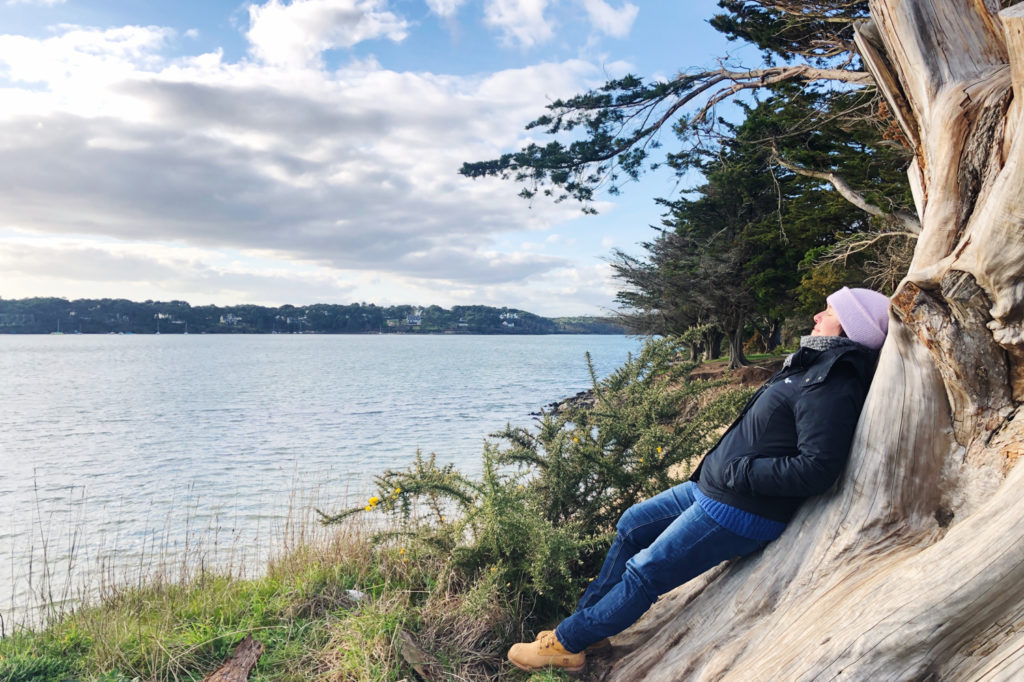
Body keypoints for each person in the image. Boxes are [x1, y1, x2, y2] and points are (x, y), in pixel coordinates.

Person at [507, 286, 891, 673]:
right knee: (631, 525)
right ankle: (589, 627)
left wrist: (739, 471)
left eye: (827, 310)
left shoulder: (833, 383)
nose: (815, 316)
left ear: (848, 326)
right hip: (712, 487)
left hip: (740, 507)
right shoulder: (812, 366)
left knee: (646, 571)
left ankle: (567, 642)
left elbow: (817, 468)